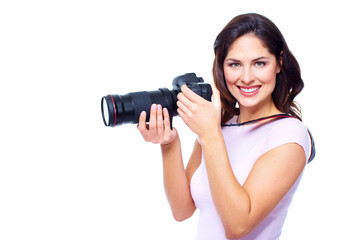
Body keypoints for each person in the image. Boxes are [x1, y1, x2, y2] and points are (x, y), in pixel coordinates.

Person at [138, 13, 315, 240]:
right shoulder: (219, 124)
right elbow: (182, 210)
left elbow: (238, 226)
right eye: (235, 64)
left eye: (259, 63)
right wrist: (169, 143)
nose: (247, 77)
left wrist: (210, 134)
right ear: (222, 67)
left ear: (279, 63)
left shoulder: (289, 134)